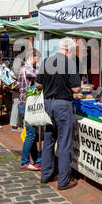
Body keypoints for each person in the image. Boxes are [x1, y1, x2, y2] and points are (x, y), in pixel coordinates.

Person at [36, 37, 81, 190]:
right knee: (64, 143)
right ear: (68, 50)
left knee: (48, 140)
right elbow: (76, 89)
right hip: (63, 104)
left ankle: (45, 174)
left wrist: (50, 85)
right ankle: (63, 181)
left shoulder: (46, 61)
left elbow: (38, 84)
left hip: (48, 103)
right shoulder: (70, 63)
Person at [18, 49, 41, 170]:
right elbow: (39, 77)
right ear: (33, 57)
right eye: (38, 58)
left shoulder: (26, 68)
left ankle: (37, 159)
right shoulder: (27, 69)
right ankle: (25, 161)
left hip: (25, 104)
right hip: (27, 104)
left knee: (31, 133)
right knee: (31, 134)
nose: (38, 61)